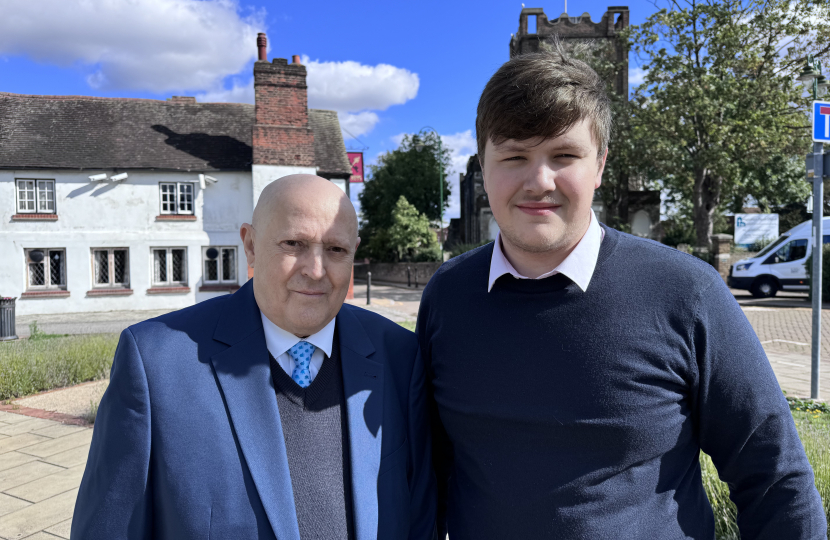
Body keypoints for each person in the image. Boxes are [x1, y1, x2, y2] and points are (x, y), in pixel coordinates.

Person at [416, 41, 827, 539]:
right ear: (483, 167)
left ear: (601, 165)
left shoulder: (685, 292)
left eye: (564, 155)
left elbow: (774, 477)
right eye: (514, 156)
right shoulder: (448, 296)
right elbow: (429, 472)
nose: (538, 180)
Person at [73, 175, 435, 540]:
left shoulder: (399, 357)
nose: (316, 269)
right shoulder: (155, 364)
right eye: (294, 243)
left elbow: (421, 521)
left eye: (336, 250)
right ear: (251, 245)